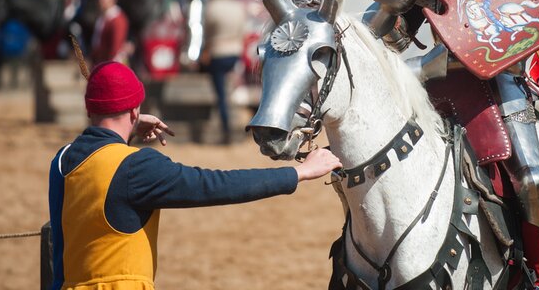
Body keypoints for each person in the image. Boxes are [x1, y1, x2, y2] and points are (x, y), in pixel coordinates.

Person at [394, 0, 539, 289]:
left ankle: (535, 280)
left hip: (501, 81)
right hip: (430, 79)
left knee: (533, 181)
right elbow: (392, 36)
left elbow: (518, 44)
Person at [49, 59, 341, 290]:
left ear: (89, 110)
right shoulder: (137, 167)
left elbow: (101, 162)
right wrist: (299, 173)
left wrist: (128, 127)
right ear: (136, 110)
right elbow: (216, 185)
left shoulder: (62, 161)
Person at [201, 0, 247, 144]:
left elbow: (207, 32)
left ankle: (226, 129)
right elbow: (243, 30)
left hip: (217, 52)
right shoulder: (237, 6)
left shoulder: (212, 6)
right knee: (227, 91)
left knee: (220, 94)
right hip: (235, 52)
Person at [91, 0, 131, 65]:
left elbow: (115, 47)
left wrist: (107, 66)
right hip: (100, 62)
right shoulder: (102, 17)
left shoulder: (118, 19)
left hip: (112, 65)